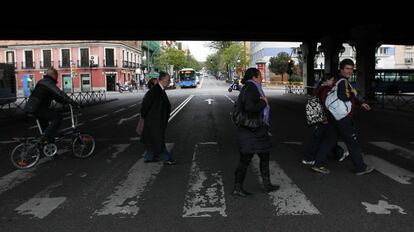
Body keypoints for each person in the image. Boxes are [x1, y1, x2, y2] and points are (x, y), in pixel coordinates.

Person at [312, 59, 374, 175]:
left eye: (351, 68)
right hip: (342, 118)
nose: (349, 71)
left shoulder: (336, 80)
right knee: (352, 142)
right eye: (347, 68)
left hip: (333, 116)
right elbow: (343, 96)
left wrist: (361, 102)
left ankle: (318, 164)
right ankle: (360, 167)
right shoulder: (343, 81)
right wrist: (353, 94)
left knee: (329, 141)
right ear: (341, 69)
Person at [232, 68, 279, 197]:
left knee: (264, 157)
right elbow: (250, 107)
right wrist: (263, 102)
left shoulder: (250, 87)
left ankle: (267, 185)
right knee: (246, 160)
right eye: (260, 75)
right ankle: (238, 187)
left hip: (255, 130)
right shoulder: (252, 88)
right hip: (252, 130)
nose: (262, 77)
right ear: (254, 77)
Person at [302, 73, 349, 166]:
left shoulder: (319, 87)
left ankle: (339, 153)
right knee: (319, 138)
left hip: (319, 117)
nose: (333, 82)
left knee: (327, 137)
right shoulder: (325, 89)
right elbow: (327, 104)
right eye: (332, 80)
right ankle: (308, 158)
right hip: (323, 117)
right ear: (327, 80)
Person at [24, 67, 77, 143]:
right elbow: (59, 93)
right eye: (57, 75)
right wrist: (72, 102)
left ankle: (48, 146)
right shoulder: (48, 83)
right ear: (54, 75)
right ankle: (44, 136)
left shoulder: (43, 82)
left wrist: (65, 102)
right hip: (37, 108)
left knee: (48, 130)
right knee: (58, 117)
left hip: (33, 107)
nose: (57, 77)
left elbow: (56, 97)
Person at [141, 71, 176, 165]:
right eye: (168, 80)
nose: (169, 82)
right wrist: (145, 117)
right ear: (163, 79)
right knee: (158, 140)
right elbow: (145, 105)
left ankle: (149, 157)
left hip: (156, 120)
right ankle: (167, 158)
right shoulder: (155, 91)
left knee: (152, 139)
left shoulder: (160, 89)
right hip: (154, 121)